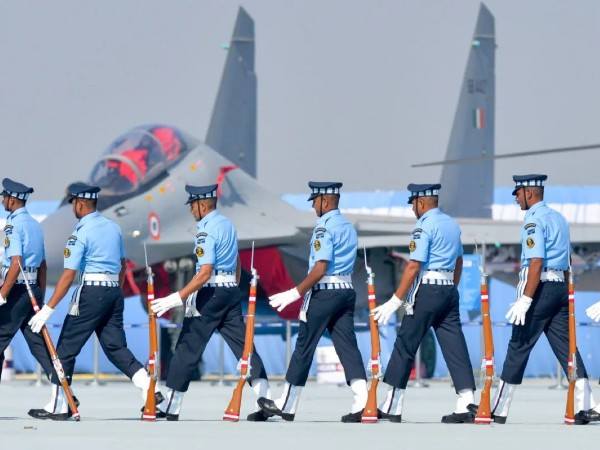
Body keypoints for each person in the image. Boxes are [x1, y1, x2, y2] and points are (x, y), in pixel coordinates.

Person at [28, 182, 158, 420]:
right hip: (113, 292)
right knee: (115, 347)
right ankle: (149, 388)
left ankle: (59, 405)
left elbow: (68, 275)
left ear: (80, 204)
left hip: (91, 293)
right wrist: (112, 291)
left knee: (65, 349)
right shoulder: (113, 227)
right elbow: (122, 265)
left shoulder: (81, 232)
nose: (73, 209)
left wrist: (48, 308)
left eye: (73, 204)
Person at [150, 184, 270, 421]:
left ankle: (172, 405)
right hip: (230, 291)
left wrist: (177, 297)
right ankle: (265, 397)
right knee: (244, 347)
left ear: (202, 205)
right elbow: (236, 262)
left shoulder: (205, 231)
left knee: (187, 346)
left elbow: (204, 272)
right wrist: (232, 287)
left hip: (210, 292)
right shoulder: (227, 225)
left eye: (192, 205)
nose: (191, 210)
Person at [490, 174, 597, 425]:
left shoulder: (533, 221)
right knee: (567, 347)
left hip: (539, 288)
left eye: (518, 193)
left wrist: (526, 299)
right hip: (559, 286)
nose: (516, 198)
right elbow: (567, 260)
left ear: (529, 193)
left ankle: (498, 409)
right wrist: (566, 293)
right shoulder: (559, 219)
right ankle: (587, 404)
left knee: (518, 345)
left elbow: (536, 261)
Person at [258, 181, 368, 423]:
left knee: (304, 346)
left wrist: (294, 293)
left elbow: (320, 268)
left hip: (324, 292)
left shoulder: (323, 228)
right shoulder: (348, 227)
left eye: (315, 201)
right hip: (346, 291)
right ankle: (363, 402)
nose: (313, 206)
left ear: (325, 201)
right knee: (348, 347)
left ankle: (286, 404)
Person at [373, 183, 476, 423]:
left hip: (427, 290)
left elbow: (413, 266)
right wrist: (451, 287)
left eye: (413, 204)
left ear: (420, 202)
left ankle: (392, 405)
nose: (412, 209)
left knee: (405, 344)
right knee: (455, 346)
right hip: (448, 289)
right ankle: (467, 402)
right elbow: (459, 261)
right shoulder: (452, 224)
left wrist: (396, 300)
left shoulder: (423, 226)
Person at [0, 178, 54, 387]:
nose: (3, 200)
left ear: (12, 200)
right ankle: (61, 389)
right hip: (33, 290)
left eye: (5, 197)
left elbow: (16, 263)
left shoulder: (13, 225)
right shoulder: (35, 225)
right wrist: (40, 297)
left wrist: (3, 294)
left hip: (17, 290)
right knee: (38, 344)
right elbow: (43, 266)